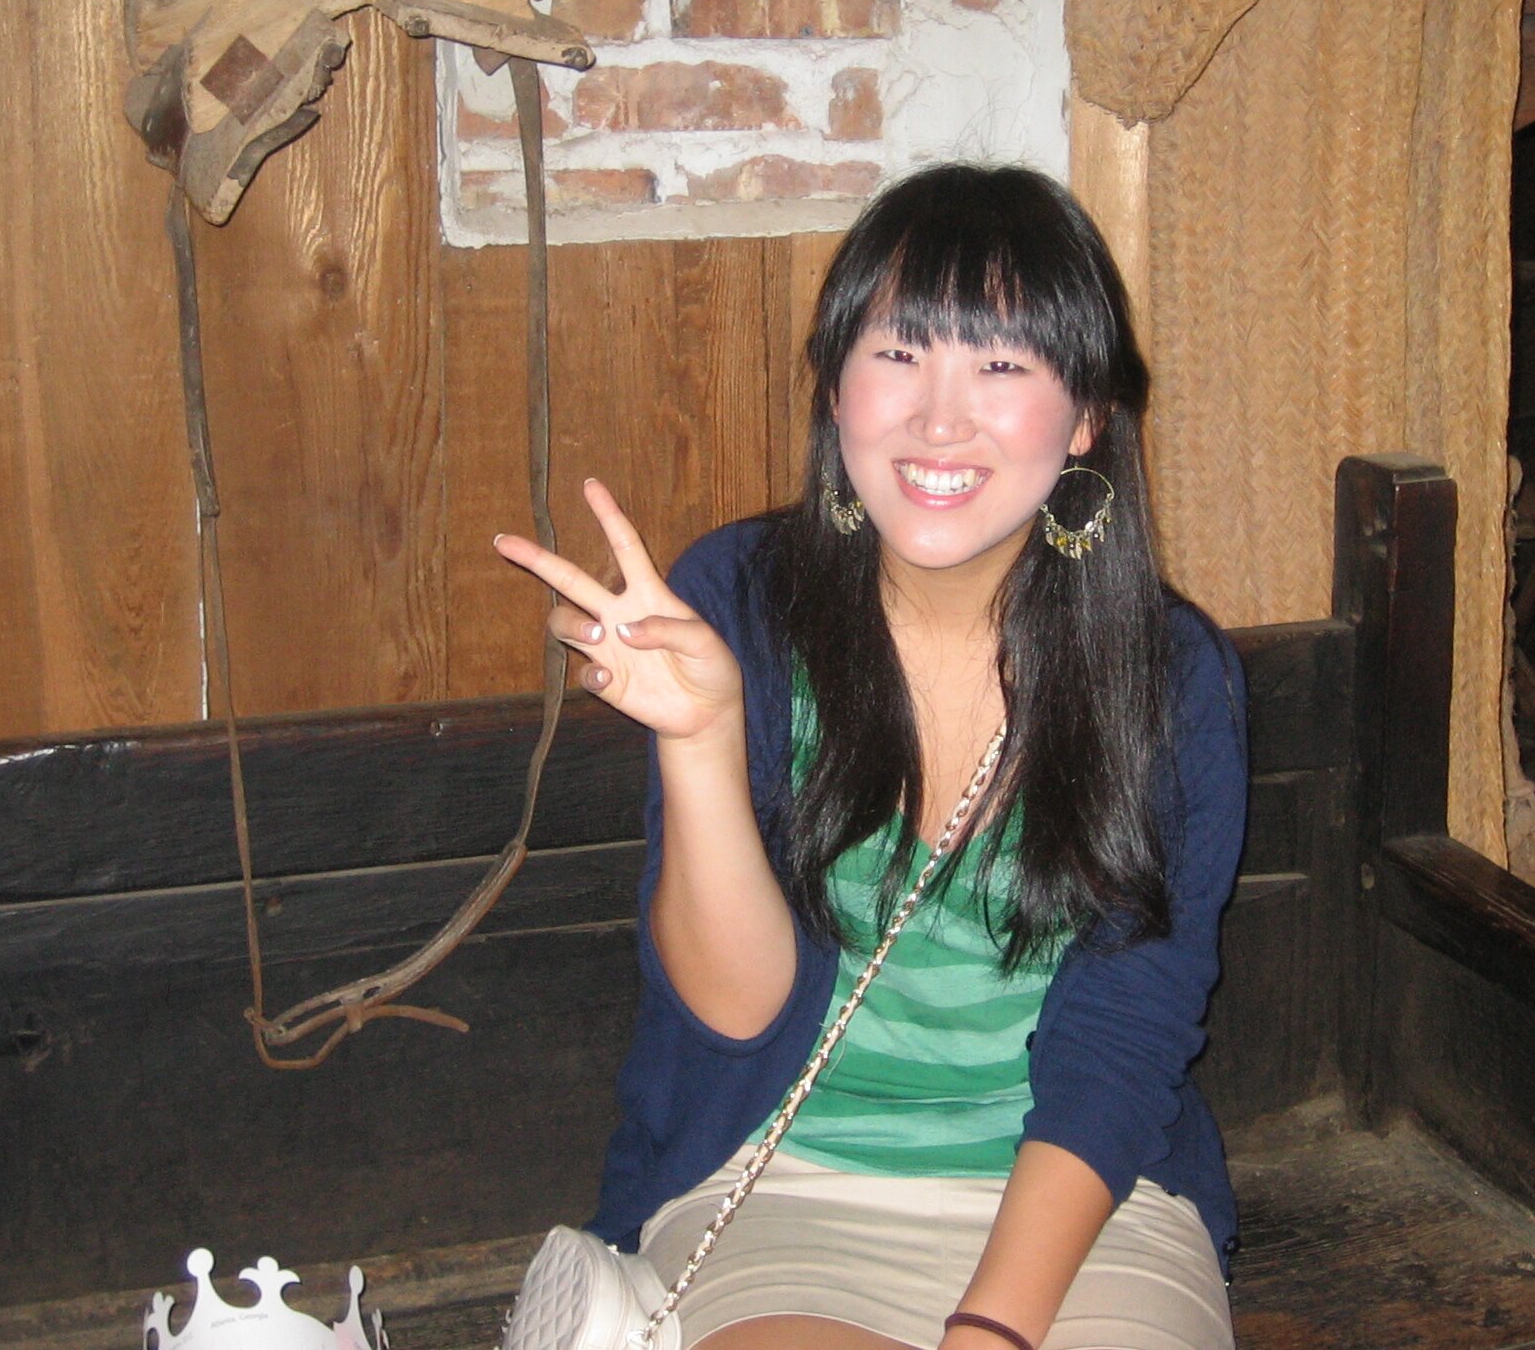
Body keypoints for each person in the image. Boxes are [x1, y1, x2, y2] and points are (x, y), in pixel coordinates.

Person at [493, 164, 1244, 1350]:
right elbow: (735, 1015)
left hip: (1081, 1208)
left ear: (1084, 417)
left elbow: (1125, 1039)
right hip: (782, 1185)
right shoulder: (739, 604)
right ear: (835, 386)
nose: (938, 420)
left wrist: (989, 1333)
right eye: (897, 353)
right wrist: (699, 738)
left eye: (1002, 366)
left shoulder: (1164, 672)